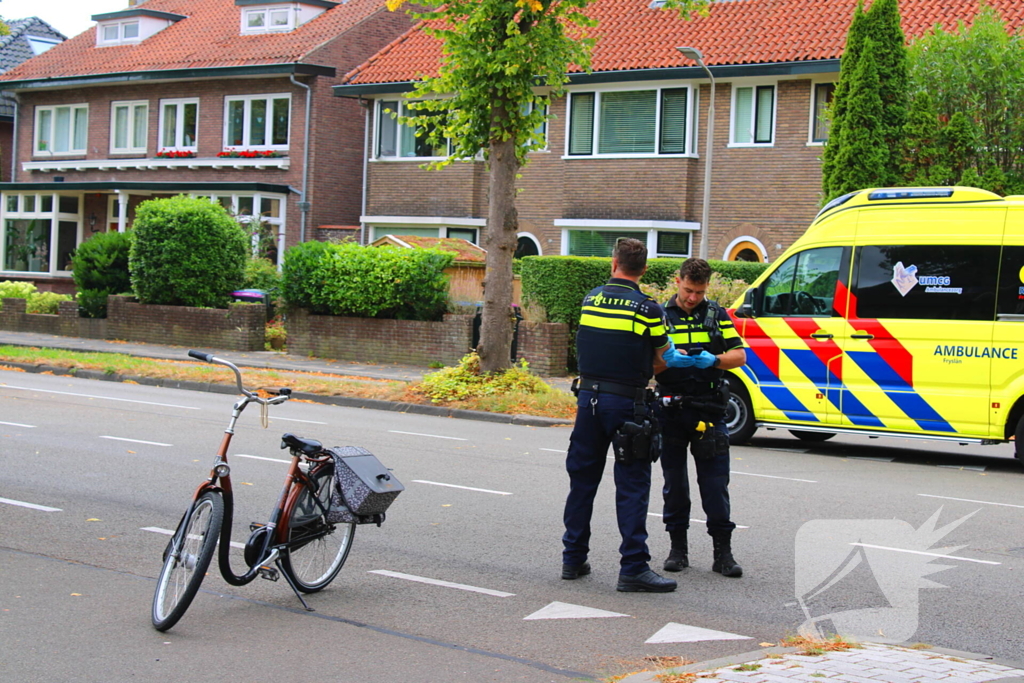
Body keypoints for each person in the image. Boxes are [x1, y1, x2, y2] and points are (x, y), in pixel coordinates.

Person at [561, 238, 693, 593]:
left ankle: (573, 558)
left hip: (587, 400)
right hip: (626, 404)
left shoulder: (591, 298)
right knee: (632, 486)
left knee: (582, 481)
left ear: (613, 263)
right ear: (644, 269)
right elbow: (666, 357)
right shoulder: (647, 308)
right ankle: (633, 567)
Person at [655, 258, 746, 578]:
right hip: (672, 411)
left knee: (715, 484)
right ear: (677, 281)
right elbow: (649, 366)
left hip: (710, 410)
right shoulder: (660, 316)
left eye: (700, 292)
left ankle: (723, 553)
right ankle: (677, 549)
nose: (693, 297)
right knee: (674, 485)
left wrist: (714, 360)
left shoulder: (717, 314)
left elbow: (740, 356)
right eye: (688, 290)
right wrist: (669, 362)